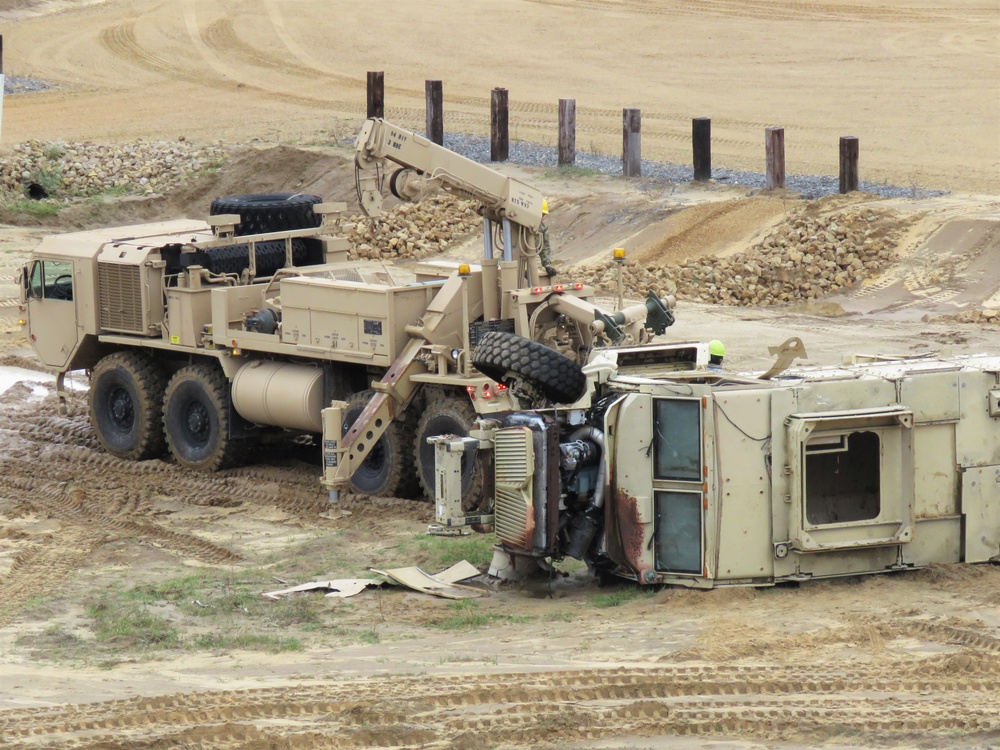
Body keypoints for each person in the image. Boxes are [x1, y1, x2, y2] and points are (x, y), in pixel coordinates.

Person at [538, 199, 557, 278]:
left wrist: (547, 265)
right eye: (541, 214)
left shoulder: (542, 228)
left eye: (543, 215)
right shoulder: (519, 227)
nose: (542, 218)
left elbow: (545, 248)